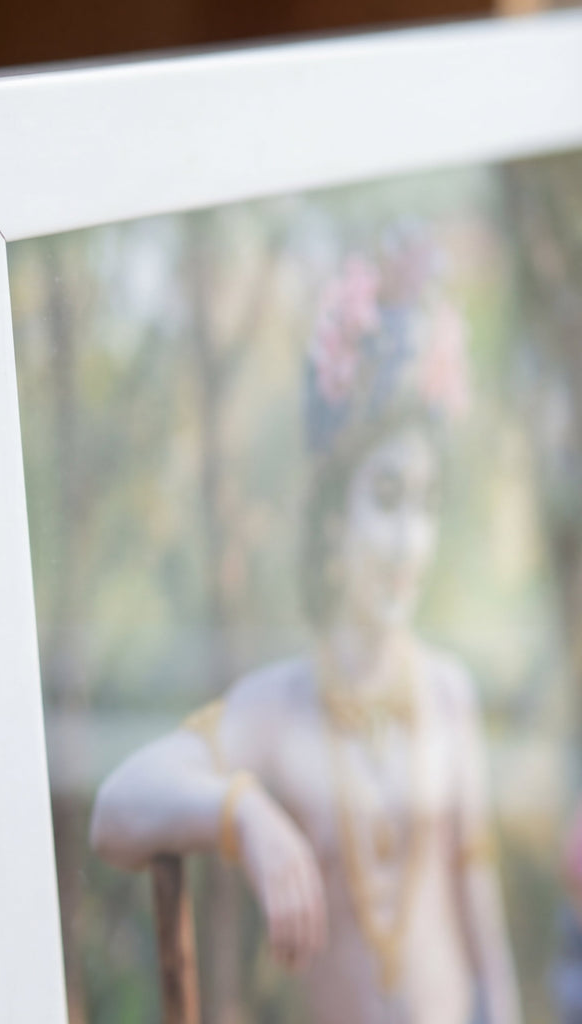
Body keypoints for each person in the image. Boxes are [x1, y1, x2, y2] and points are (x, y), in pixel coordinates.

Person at [89, 234, 522, 1024]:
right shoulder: (279, 710)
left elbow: (484, 938)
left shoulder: (450, 696)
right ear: (331, 521)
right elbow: (115, 810)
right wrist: (244, 812)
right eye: (385, 499)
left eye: (425, 505)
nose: (409, 542)